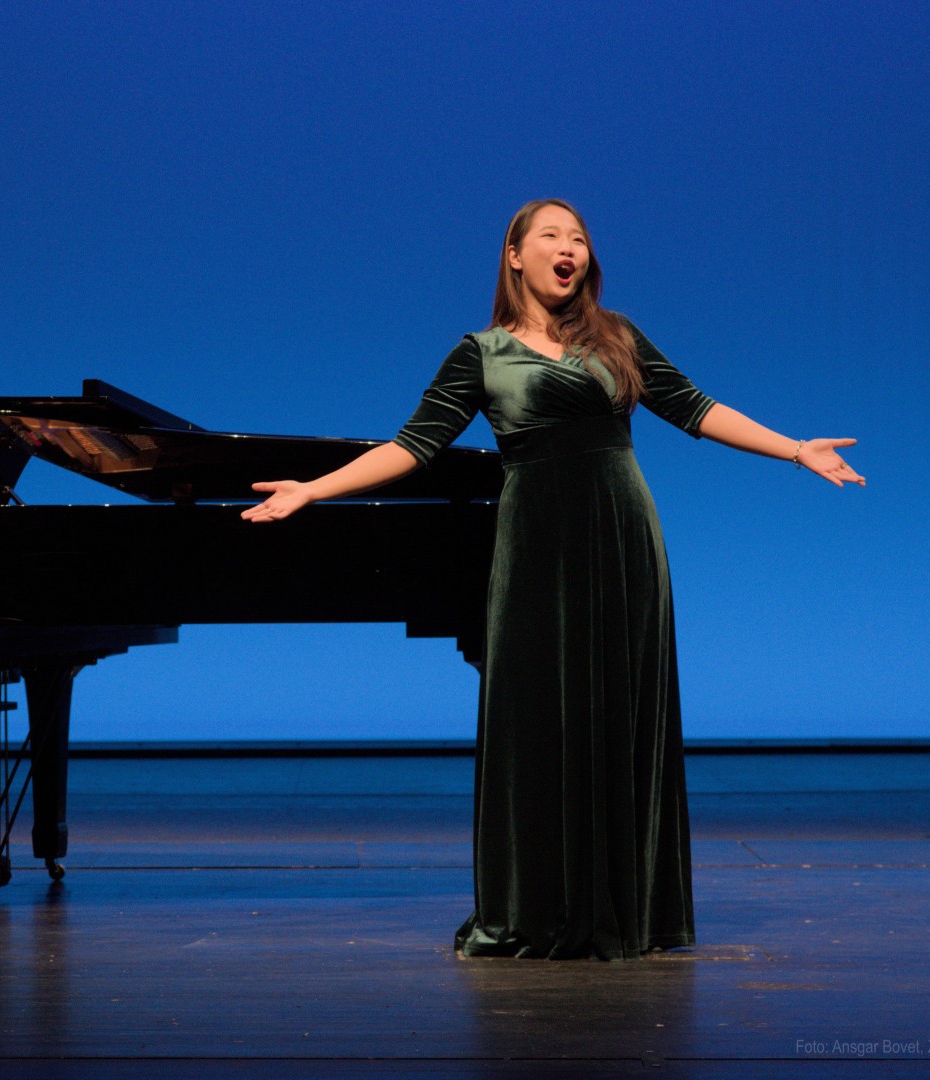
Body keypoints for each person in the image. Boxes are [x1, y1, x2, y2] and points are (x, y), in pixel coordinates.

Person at [243, 199, 864, 960]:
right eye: (551, 236)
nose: (568, 248)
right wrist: (313, 488)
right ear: (514, 256)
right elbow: (415, 445)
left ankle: (626, 909)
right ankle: (534, 908)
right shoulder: (481, 353)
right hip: (535, 545)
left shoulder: (618, 338)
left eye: (579, 239)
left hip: (622, 538)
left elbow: (697, 410)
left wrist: (795, 448)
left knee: (620, 712)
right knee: (534, 719)